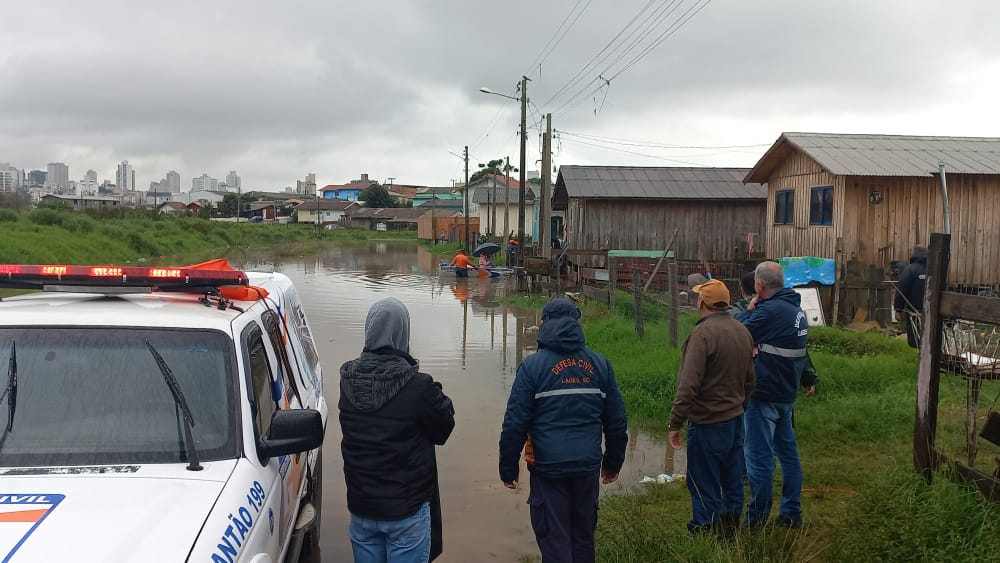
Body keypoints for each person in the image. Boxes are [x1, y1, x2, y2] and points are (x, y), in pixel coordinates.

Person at [499, 298, 628, 562]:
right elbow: (616, 421)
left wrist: (508, 468)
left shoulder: (532, 367)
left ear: (544, 324)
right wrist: (613, 463)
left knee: (554, 539)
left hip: (548, 469)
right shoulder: (600, 365)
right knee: (583, 537)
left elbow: (515, 423)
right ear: (576, 323)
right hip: (587, 467)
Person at [339, 298, 456, 562]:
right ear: (403, 333)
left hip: (361, 509)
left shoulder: (347, 381)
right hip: (407, 511)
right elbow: (444, 428)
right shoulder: (418, 386)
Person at [668, 279, 756, 538]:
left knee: (703, 480)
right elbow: (751, 379)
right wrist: (741, 406)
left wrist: (675, 423)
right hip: (735, 420)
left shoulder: (702, 334)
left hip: (707, 423)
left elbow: (688, 386)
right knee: (732, 479)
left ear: (702, 303)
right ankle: (729, 530)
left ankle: (704, 531)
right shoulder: (742, 331)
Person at [739, 261, 814, 529]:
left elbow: (736, 334)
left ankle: (756, 519)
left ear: (759, 285)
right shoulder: (795, 309)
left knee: (759, 458)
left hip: (764, 394)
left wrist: (749, 311)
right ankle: (791, 512)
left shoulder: (769, 311)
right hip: (786, 394)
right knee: (789, 454)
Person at [734, 272, 821, 389]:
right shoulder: (790, 306)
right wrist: (809, 377)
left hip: (760, 385)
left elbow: (734, 335)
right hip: (785, 383)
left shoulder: (743, 310)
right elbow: (795, 344)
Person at [894, 245, 928, 348]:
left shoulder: (910, 269)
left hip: (914, 313)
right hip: (930, 313)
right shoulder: (932, 270)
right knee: (927, 339)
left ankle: (917, 358)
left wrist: (898, 309)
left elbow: (902, 290)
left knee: (915, 341)